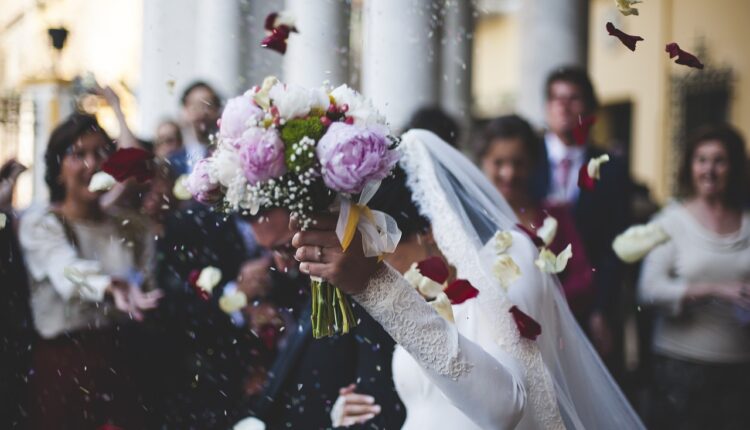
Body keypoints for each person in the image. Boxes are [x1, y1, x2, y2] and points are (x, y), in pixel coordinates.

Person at [296, 129, 644, 429]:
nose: (386, 268)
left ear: (429, 232)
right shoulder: (433, 297)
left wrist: (379, 286)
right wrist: (350, 411)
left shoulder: (512, 259)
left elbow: (504, 408)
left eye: (384, 253)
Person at [18, 113, 162, 429]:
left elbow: (148, 280)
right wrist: (111, 286)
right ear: (57, 170)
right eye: (78, 154)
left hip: (123, 359)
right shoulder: (42, 223)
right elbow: (66, 270)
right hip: (66, 365)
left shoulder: (131, 225)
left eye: (101, 153)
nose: (92, 164)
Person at [244, 208, 406, 430]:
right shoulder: (297, 284)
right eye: (269, 252)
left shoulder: (364, 288)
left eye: (285, 247)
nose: (280, 265)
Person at [638, 124, 750, 429]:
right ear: (690, 167)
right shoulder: (670, 222)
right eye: (701, 160)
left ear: (734, 167)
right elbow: (648, 290)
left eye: (719, 160)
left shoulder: (748, 221)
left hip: (741, 368)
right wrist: (714, 289)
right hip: (681, 370)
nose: (709, 170)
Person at [530, 66, 632, 365]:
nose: (562, 105)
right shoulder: (526, 159)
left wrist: (602, 307)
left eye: (573, 98)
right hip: (534, 295)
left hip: (591, 304)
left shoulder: (611, 167)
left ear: (588, 107)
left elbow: (617, 244)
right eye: (555, 98)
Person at [479, 115, 594, 323]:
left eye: (518, 163)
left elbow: (583, 278)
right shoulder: (472, 219)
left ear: (532, 164)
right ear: (483, 163)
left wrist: (541, 302)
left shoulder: (555, 215)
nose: (509, 173)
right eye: (499, 162)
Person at [170, 81, 222, 174]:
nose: (202, 113)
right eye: (196, 106)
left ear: (217, 111)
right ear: (184, 111)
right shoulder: (173, 162)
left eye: (208, 106)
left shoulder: (225, 156)